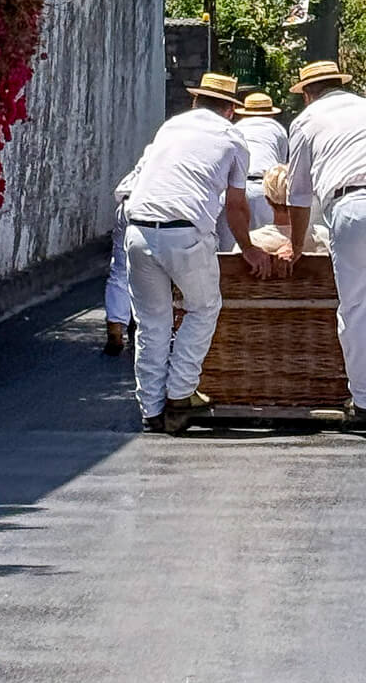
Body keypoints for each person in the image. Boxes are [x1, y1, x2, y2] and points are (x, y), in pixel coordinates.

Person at [124, 71, 263, 435]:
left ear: (197, 101)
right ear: (231, 110)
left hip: (137, 227)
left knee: (152, 322)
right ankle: (180, 394)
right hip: (184, 232)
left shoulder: (171, 128)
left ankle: (151, 409)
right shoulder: (233, 138)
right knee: (203, 308)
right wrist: (248, 248)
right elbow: (235, 206)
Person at [286, 59, 366, 439]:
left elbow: (298, 195)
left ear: (308, 93)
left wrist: (296, 246)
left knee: (359, 309)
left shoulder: (307, 121)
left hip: (352, 206)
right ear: (339, 84)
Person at [233, 91, 289, 231]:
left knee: (235, 244)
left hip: (237, 188)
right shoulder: (278, 129)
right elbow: (279, 170)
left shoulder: (236, 128)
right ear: (271, 113)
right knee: (267, 240)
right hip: (264, 189)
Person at [103, 160, 142, 355]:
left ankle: (115, 328)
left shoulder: (157, 149)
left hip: (127, 203)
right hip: (155, 210)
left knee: (120, 270)